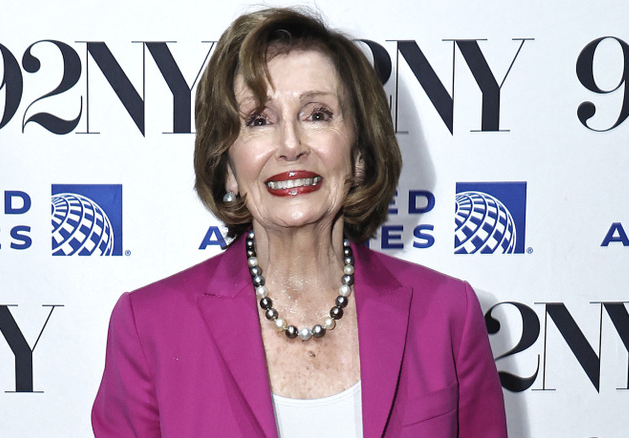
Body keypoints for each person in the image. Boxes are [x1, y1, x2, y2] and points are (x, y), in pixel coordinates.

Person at [91, 7, 507, 437]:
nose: (290, 145)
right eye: (259, 120)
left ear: (360, 154)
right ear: (229, 166)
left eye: (317, 115)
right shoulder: (150, 327)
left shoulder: (446, 315)